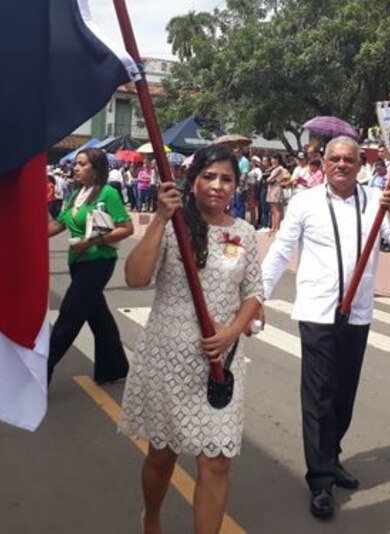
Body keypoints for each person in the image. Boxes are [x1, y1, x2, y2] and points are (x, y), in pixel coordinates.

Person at [261, 136, 390, 519]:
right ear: (323, 163)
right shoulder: (305, 202)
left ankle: (332, 454)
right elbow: (280, 250)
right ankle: (321, 479)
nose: (342, 165)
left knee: (344, 394)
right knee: (319, 397)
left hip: (358, 313)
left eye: (349, 159)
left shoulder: (376, 201)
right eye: (335, 159)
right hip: (317, 312)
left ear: (360, 164)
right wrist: (255, 296)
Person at [120, 145, 262, 534]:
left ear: (236, 185)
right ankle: (151, 517)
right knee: (162, 454)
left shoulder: (244, 233)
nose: (218, 186)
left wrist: (230, 333)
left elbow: (254, 295)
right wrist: (160, 220)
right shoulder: (173, 227)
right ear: (193, 181)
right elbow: (135, 277)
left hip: (221, 364)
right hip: (168, 357)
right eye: (210, 177)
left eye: (227, 178)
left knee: (216, 461)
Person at [46, 148, 134, 384]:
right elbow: (58, 225)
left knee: (69, 315)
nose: (75, 167)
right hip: (77, 262)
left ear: (95, 170)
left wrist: (94, 241)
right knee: (99, 318)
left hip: (98, 262)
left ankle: (42, 371)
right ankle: (115, 367)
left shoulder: (108, 193)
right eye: (75, 163)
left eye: (82, 164)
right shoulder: (75, 195)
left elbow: (127, 228)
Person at [266, 154, 286, 232]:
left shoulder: (279, 168)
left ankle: (277, 228)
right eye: (272, 159)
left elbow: (269, 179)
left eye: (275, 159)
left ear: (279, 160)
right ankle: (273, 227)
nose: (273, 160)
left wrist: (268, 178)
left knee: (277, 210)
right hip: (271, 188)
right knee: (273, 210)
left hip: (276, 188)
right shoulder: (273, 168)